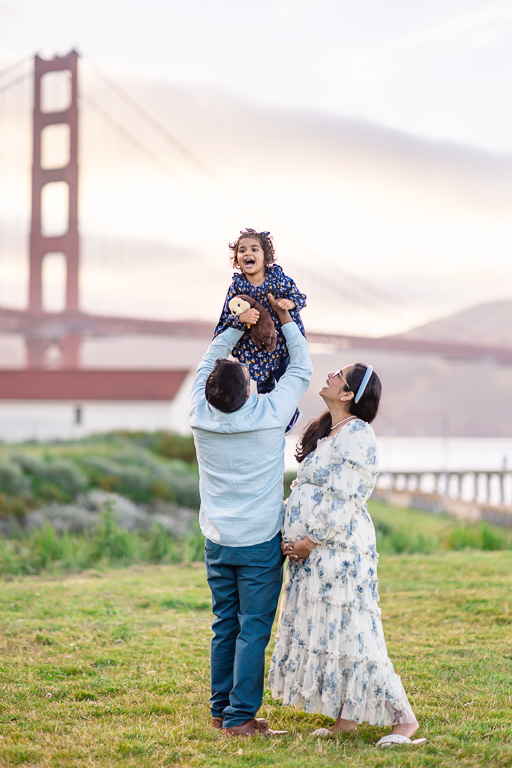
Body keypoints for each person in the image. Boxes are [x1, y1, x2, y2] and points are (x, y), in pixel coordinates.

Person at [268, 364, 426, 748]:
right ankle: (347, 717)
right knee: (332, 632)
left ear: (348, 394)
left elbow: (346, 495)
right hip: (315, 556)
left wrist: (312, 538)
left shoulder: (358, 433)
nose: (331, 375)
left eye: (339, 374)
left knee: (357, 633)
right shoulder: (331, 431)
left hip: (338, 551)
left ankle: (404, 719)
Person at [190, 293, 313, 738]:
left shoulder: (199, 413)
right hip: (260, 541)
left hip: (218, 539)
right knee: (253, 629)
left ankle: (220, 711)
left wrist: (236, 325)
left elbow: (209, 361)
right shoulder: (268, 415)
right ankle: (240, 718)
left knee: (225, 624)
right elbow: (300, 369)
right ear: (249, 390)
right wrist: (285, 319)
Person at [214, 228, 307, 432]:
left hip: (281, 345)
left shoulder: (279, 279)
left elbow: (300, 297)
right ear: (237, 260)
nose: (248, 253)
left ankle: (291, 413)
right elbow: (225, 319)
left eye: (254, 249)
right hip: (255, 350)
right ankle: (271, 421)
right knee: (265, 389)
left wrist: (290, 303)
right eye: (242, 250)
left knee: (286, 381)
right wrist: (241, 318)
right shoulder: (236, 288)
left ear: (266, 257)